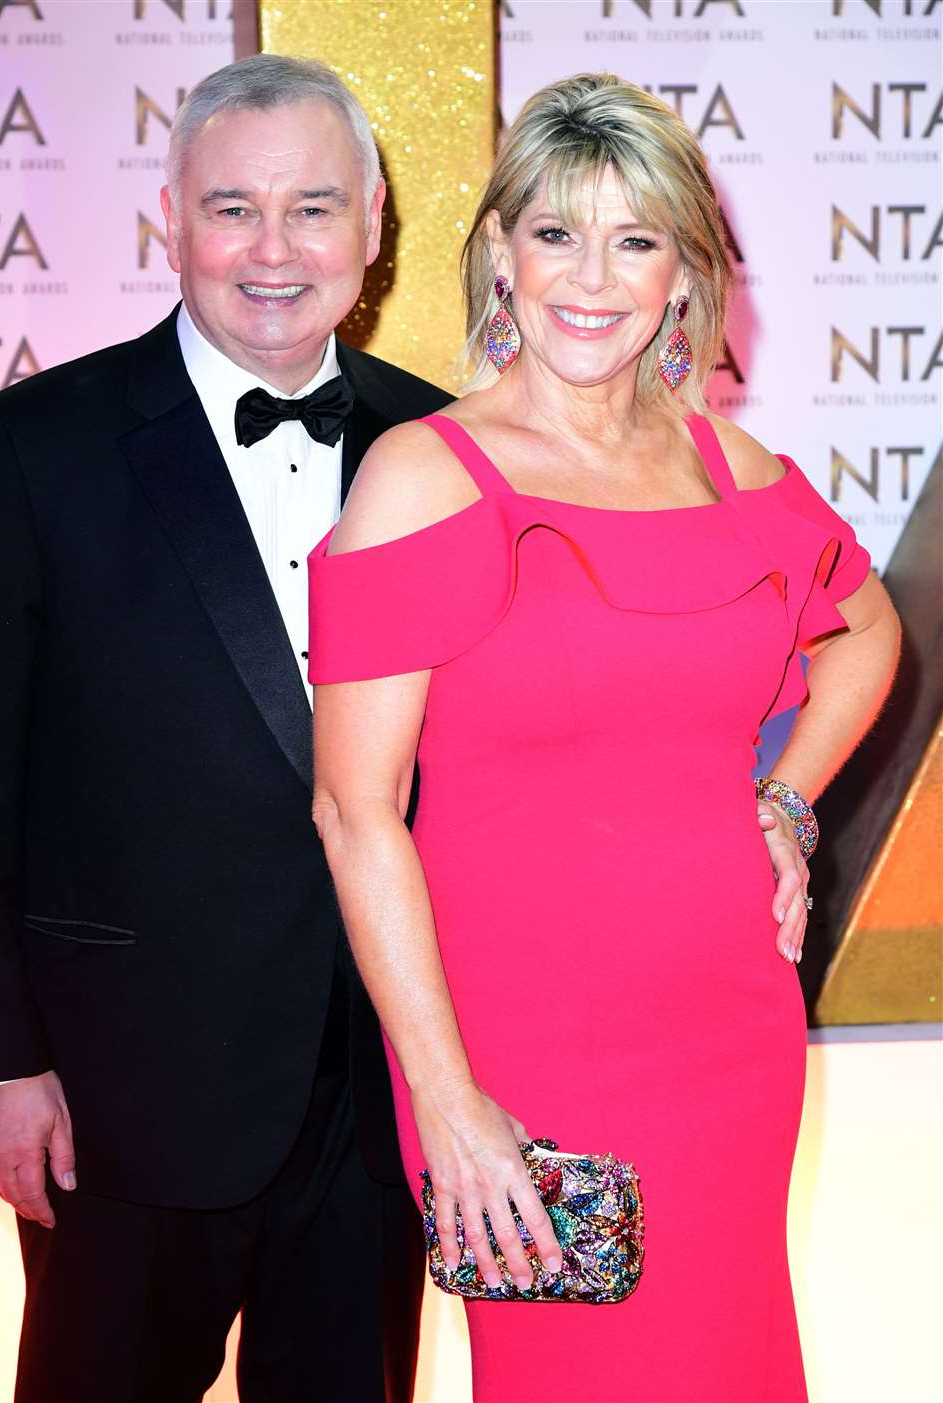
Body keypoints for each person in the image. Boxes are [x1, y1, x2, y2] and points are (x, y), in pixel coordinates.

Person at [308, 73, 901, 1403]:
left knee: (732, 1361)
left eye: (635, 238)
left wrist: (788, 803)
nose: (592, 275)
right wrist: (449, 1100)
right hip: (515, 1052)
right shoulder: (425, 476)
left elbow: (867, 638)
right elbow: (356, 813)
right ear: (500, 254)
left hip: (729, 1035)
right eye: (555, 232)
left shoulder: (736, 475)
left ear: (685, 273)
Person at [0, 55, 450, 1403]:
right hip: (118, 1094)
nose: (275, 250)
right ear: (171, 217)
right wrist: (1, 1058)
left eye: (315, 208)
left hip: (376, 1097)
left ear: (374, 228)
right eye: (234, 209)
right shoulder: (36, 445)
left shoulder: (441, 446)